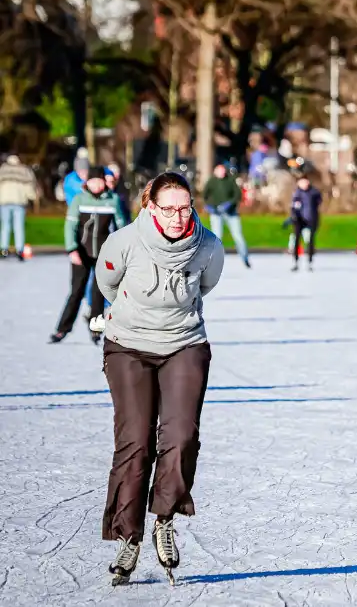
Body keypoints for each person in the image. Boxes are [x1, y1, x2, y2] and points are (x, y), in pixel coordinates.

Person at [94, 171, 224, 586]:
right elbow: (107, 282)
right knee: (135, 440)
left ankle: (164, 518)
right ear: (150, 207)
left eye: (184, 207)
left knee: (182, 435)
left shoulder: (208, 246)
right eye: (167, 208)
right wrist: (134, 321)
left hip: (185, 343)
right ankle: (127, 535)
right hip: (127, 346)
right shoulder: (124, 242)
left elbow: (206, 285)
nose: (176, 216)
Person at [50, 172, 129, 344]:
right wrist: (72, 250)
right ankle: (62, 329)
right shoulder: (79, 199)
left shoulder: (113, 200)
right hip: (82, 253)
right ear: (88, 182)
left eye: (99, 181)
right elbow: (70, 226)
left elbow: (121, 226)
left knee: (99, 293)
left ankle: (96, 330)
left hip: (103, 253)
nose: (96, 185)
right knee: (76, 291)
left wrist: (121, 250)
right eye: (93, 181)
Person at [203, 161, 251, 268]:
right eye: (219, 170)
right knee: (217, 237)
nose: (221, 172)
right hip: (216, 213)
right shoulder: (211, 182)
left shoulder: (230, 180)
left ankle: (245, 257)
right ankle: (215, 260)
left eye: (223, 170)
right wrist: (210, 206)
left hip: (231, 213)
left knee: (238, 236)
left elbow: (237, 195)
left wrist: (229, 204)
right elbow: (205, 196)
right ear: (215, 171)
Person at [0, 154, 37, 260]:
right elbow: (29, 186)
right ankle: (19, 250)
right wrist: (32, 196)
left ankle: (4, 249)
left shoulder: (2, 170)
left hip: (4, 202)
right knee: (19, 227)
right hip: (19, 202)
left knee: (5, 226)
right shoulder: (24, 170)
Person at [289, 171, 322, 272]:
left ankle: (310, 261)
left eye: (305, 182)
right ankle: (295, 261)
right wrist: (294, 216)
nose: (304, 184)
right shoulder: (296, 193)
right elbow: (293, 207)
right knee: (297, 239)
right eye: (301, 182)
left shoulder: (314, 192)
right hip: (299, 219)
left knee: (311, 240)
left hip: (311, 218)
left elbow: (319, 202)